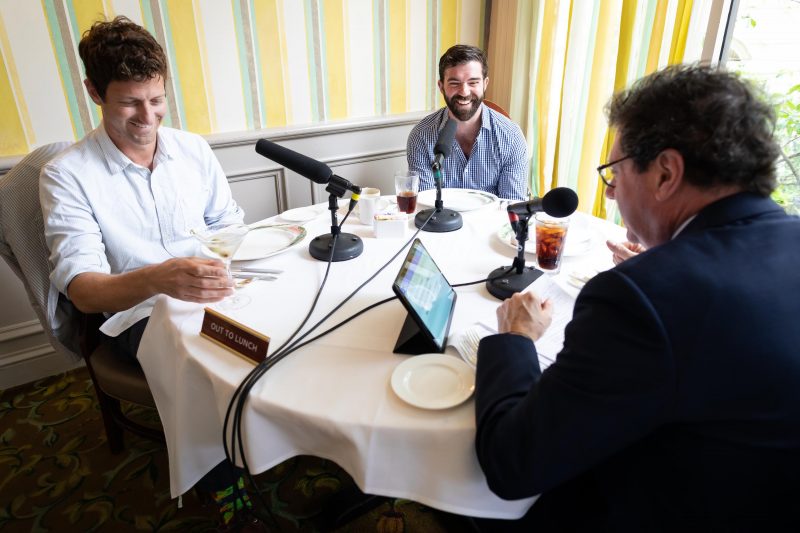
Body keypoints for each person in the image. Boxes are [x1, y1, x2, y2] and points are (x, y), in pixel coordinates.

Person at [473, 64, 800, 531]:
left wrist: (516, 339)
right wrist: (663, 268)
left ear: (666, 173)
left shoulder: (641, 299)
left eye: (614, 173)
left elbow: (512, 463)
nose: (610, 194)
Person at [39, 16, 265, 532]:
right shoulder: (67, 175)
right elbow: (81, 288)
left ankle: (273, 438)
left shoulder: (193, 150)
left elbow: (227, 222)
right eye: (129, 103)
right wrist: (159, 279)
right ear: (94, 92)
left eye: (157, 99)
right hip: (135, 313)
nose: (148, 117)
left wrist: (222, 258)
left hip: (213, 288)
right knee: (214, 362)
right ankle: (224, 484)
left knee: (290, 326)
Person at [406, 44, 528, 200]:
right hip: (441, 224)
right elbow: (426, 205)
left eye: (473, 82)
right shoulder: (421, 136)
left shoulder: (511, 137)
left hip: (492, 224)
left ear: (485, 84)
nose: (464, 92)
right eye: (454, 83)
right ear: (441, 87)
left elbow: (511, 208)